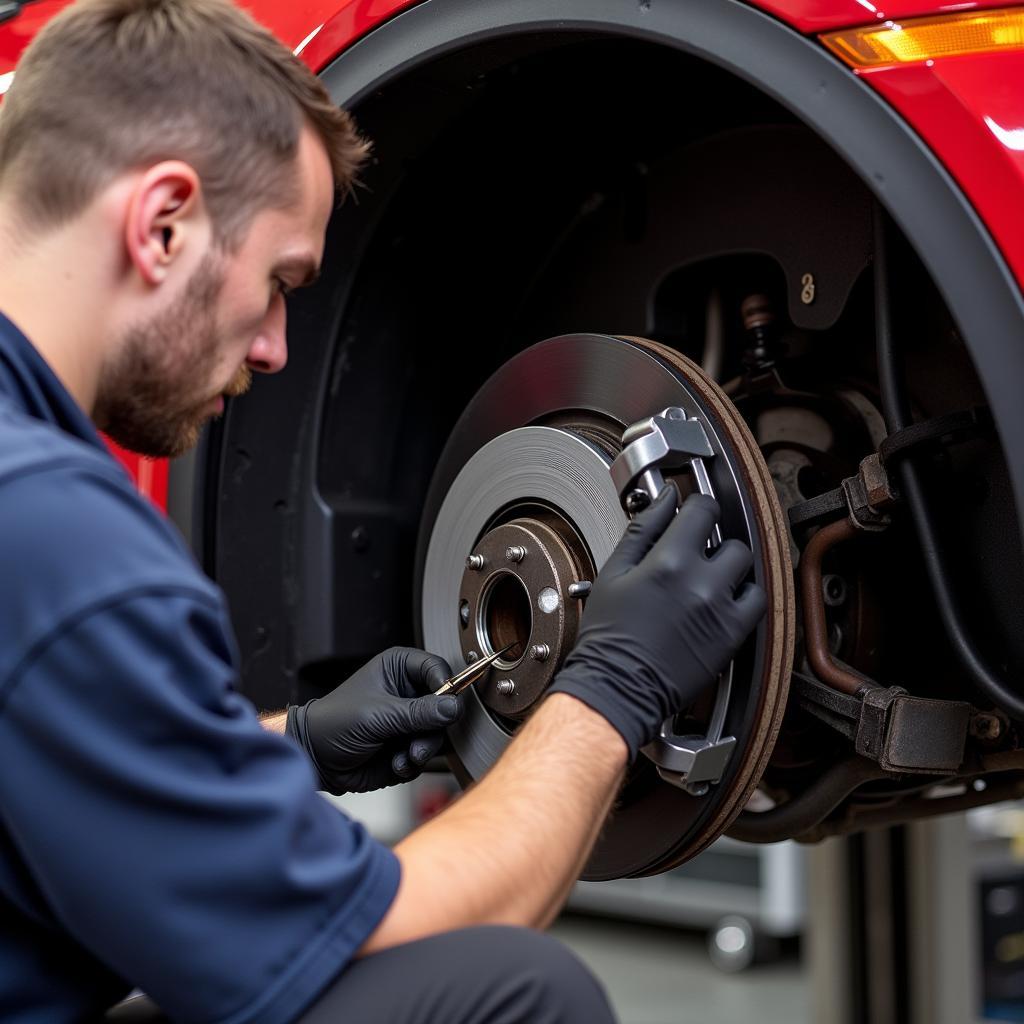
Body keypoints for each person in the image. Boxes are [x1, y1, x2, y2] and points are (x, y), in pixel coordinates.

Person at [0, 0, 768, 1021]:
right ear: (163, 222)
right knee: (510, 996)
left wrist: (297, 743)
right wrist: (612, 691)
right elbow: (397, 928)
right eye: (278, 283)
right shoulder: (60, 543)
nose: (276, 347)